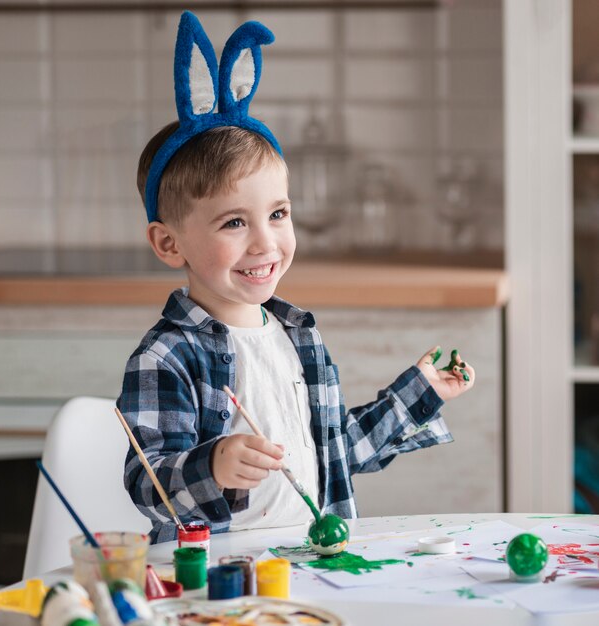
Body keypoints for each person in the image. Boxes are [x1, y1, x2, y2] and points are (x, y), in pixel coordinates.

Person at [117, 12, 475, 543]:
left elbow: (336, 452)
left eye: (278, 214)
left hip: (312, 565)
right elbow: (149, 486)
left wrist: (420, 393)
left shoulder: (296, 336)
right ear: (169, 243)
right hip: (219, 579)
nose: (265, 242)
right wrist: (211, 465)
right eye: (235, 222)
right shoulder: (166, 356)